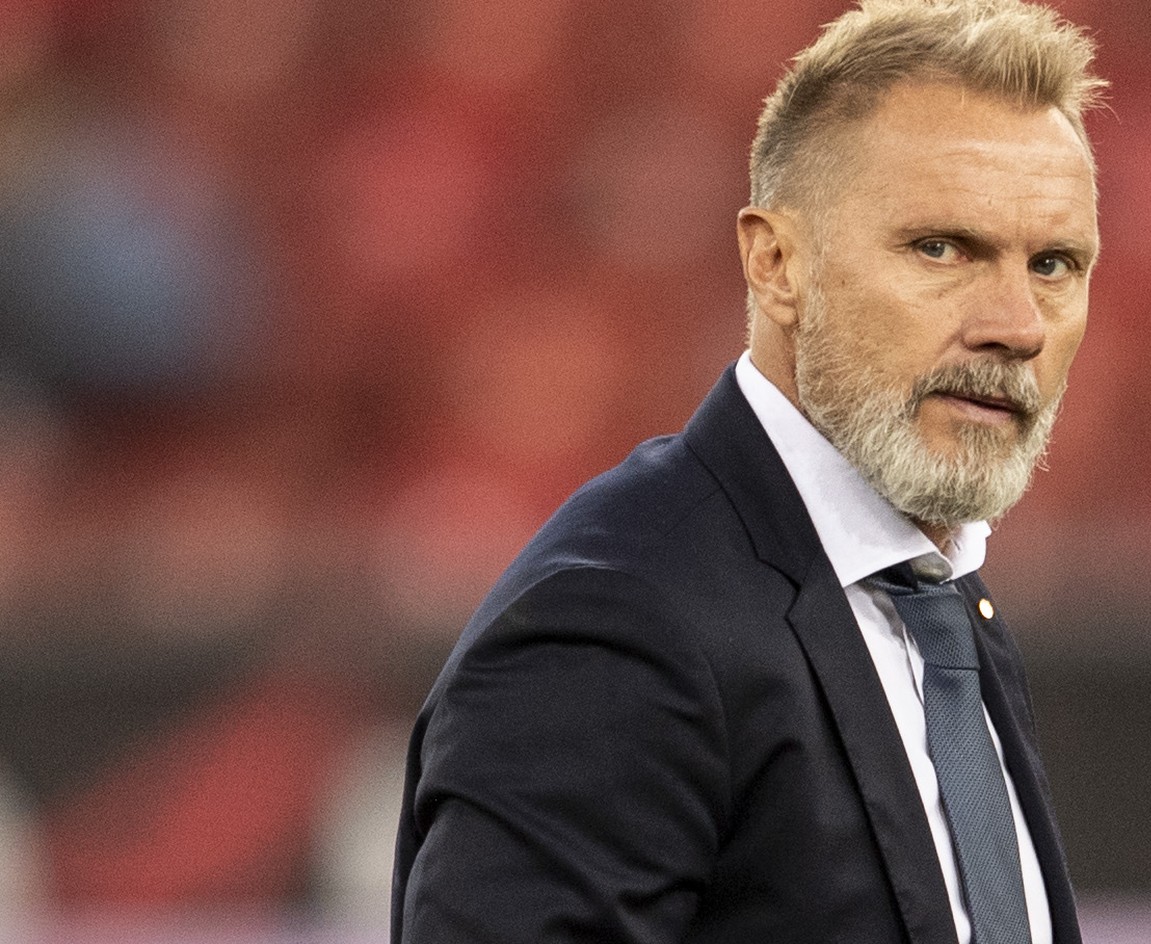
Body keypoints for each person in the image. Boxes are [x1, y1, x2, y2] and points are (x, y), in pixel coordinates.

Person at [391, 1, 1105, 942]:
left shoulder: (938, 607)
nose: (1016, 325)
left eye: (1054, 264)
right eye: (941, 248)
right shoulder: (617, 626)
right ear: (776, 263)